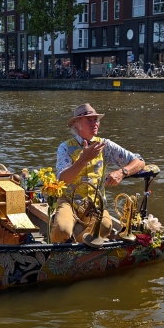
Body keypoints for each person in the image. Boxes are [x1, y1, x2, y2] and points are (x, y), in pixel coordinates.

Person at [51, 103, 145, 243]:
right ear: (77, 125)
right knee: (62, 230)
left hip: (95, 203)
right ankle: (63, 248)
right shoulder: (65, 147)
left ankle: (77, 247)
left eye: (96, 120)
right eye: (89, 120)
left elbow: (139, 162)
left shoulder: (104, 145)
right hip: (69, 201)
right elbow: (63, 180)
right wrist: (83, 160)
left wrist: (122, 172)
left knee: (106, 225)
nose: (95, 123)